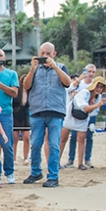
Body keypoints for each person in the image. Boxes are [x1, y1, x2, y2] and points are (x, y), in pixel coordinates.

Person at [22, 42, 71, 187]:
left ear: (54, 54)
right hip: (37, 110)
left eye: (48, 54)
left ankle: (53, 176)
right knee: (35, 144)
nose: (44, 56)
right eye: (42, 53)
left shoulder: (61, 67)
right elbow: (26, 86)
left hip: (56, 111)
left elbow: (68, 83)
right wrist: (32, 69)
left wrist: (54, 66)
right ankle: (36, 171)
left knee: (54, 144)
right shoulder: (35, 69)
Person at [59, 77, 106, 170]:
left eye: (101, 87)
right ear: (93, 86)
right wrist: (96, 105)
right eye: (97, 86)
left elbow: (93, 112)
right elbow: (84, 108)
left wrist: (94, 104)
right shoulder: (85, 93)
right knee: (63, 138)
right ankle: (56, 161)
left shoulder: (98, 97)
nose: (99, 89)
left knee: (81, 140)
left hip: (83, 118)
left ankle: (80, 163)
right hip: (71, 115)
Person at [0, 49, 18, 184]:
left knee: (7, 144)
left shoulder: (12, 74)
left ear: (5, 58)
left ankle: (9, 172)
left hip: (5, 112)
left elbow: (14, 93)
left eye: (0, 55)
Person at [64, 64, 97, 168]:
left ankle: (86, 159)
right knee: (73, 137)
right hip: (75, 113)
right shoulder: (80, 84)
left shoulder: (96, 86)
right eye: (89, 71)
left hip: (90, 113)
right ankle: (71, 159)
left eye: (93, 72)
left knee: (89, 137)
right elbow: (70, 90)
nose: (90, 74)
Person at [12, 75, 30, 165]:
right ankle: (14, 158)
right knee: (14, 138)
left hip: (25, 115)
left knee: (26, 137)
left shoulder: (30, 92)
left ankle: (26, 157)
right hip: (15, 114)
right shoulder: (16, 91)